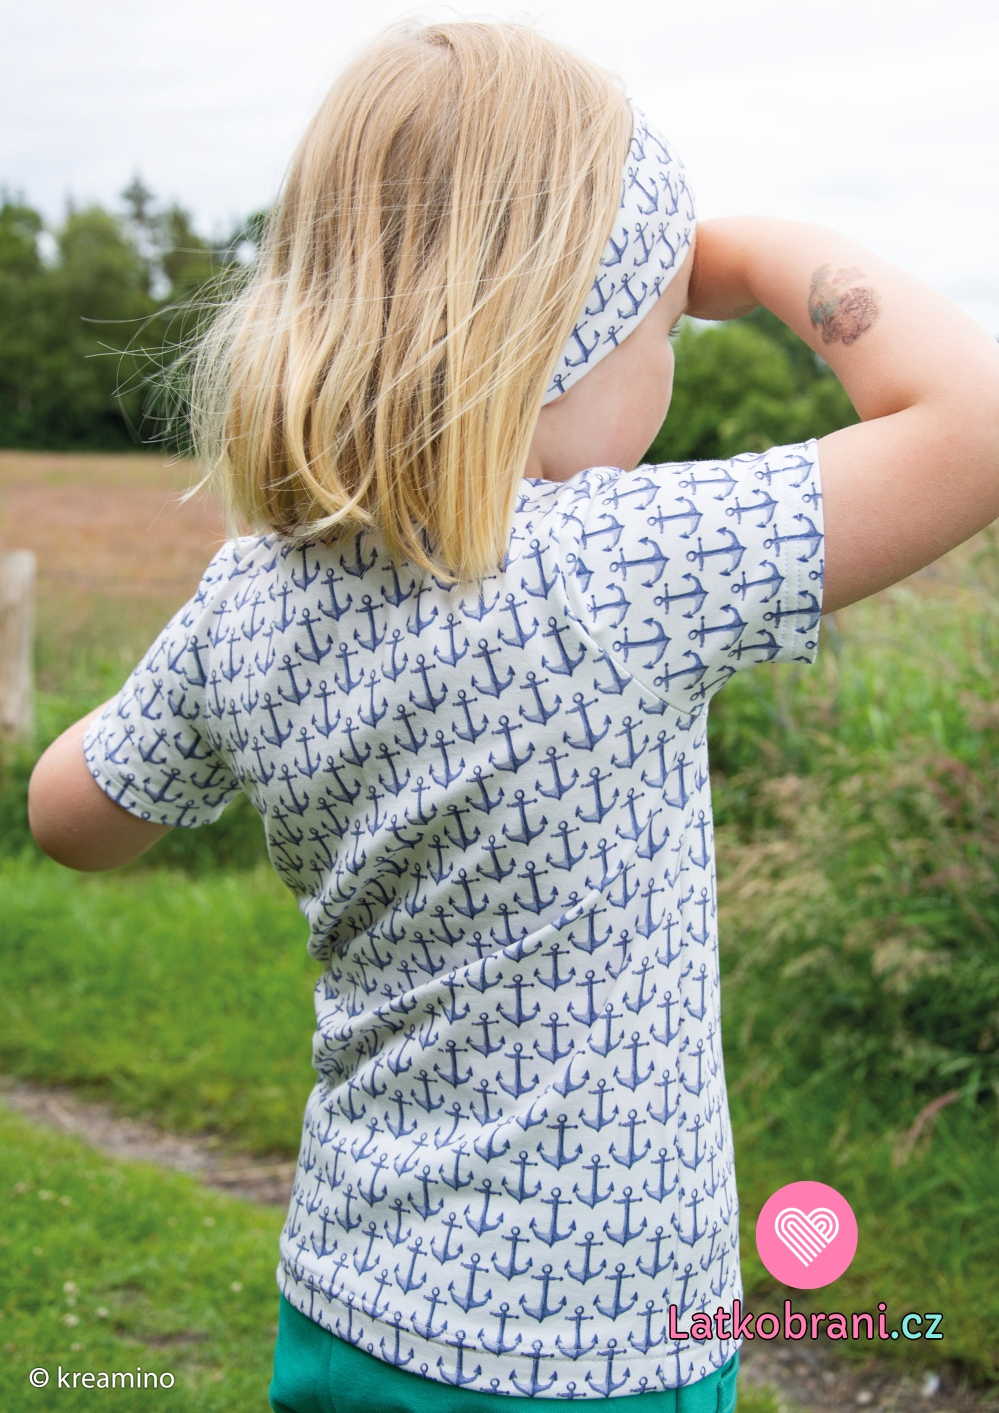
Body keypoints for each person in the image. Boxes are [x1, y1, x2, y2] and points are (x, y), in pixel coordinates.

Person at [27, 20, 999, 1413]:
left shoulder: (251, 595)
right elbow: (974, 421)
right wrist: (749, 251)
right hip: (586, 1354)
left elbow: (69, 815)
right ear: (565, 333)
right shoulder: (615, 570)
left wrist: (211, 691)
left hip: (345, 1300)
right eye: (661, 320)